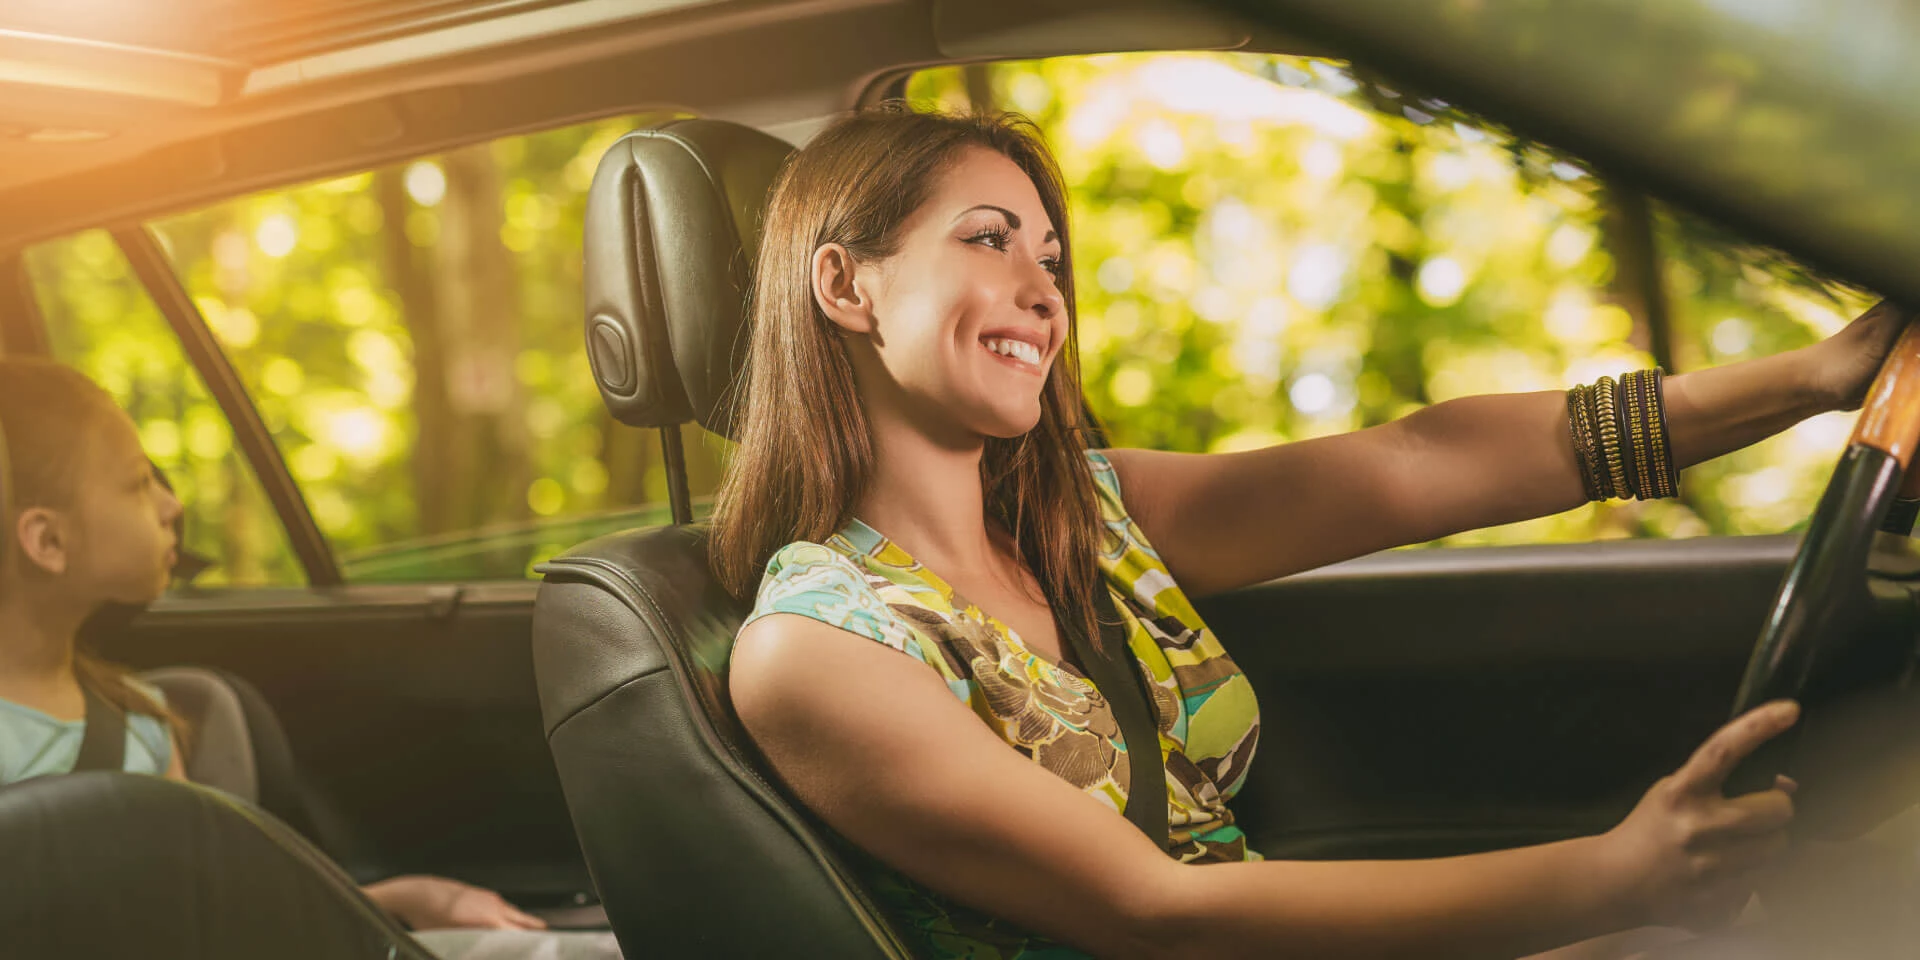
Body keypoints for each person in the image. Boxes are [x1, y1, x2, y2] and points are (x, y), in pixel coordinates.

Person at [716, 104, 1912, 959]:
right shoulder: (818, 647)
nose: (1044, 291)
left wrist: (1815, 376)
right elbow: (1158, 915)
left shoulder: (1090, 517)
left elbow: (1422, 461)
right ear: (846, 286)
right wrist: (1612, 875)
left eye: (1052, 257)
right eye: (989, 238)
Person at [0, 358, 615, 956]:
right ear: (48, 540)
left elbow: (235, 920)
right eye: (139, 482)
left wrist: (402, 897)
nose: (171, 505)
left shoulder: (146, 722)